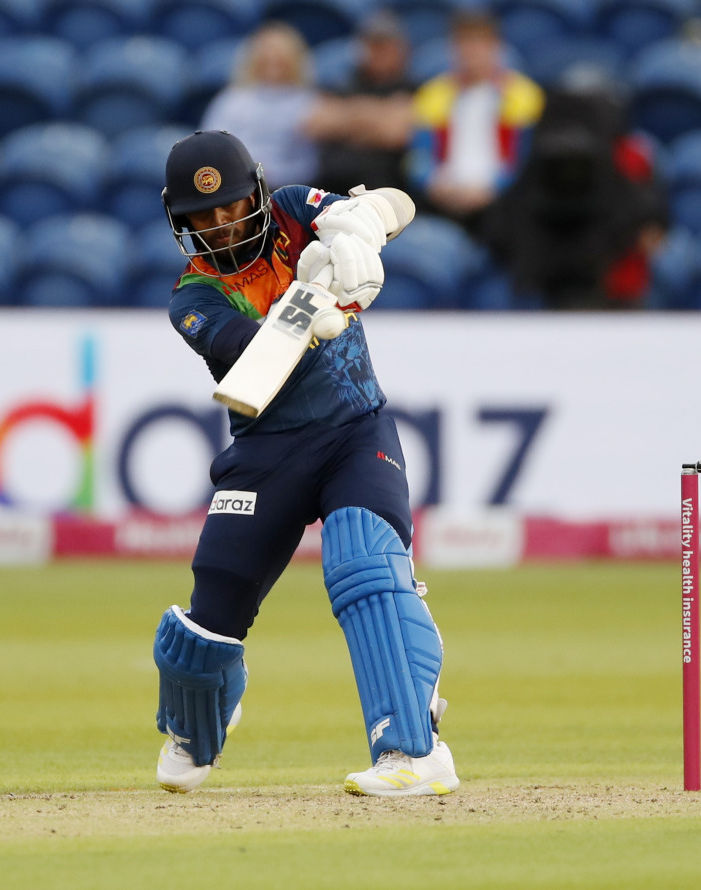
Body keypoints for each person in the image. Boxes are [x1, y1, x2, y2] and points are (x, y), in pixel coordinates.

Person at [152, 128, 459, 798]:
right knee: (205, 625)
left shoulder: (294, 208)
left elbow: (399, 203)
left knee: (364, 564)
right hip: (267, 452)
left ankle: (413, 751)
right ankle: (204, 714)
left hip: (355, 431)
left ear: (257, 194)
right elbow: (258, 355)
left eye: (232, 205)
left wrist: (358, 227)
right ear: (182, 223)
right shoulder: (192, 299)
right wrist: (310, 301)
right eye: (203, 216)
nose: (221, 223)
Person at [484, 79, 669, 309]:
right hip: (543, 292)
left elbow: (653, 227)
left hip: (615, 292)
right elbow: (502, 227)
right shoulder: (534, 165)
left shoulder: (631, 158)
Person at [406, 9, 545, 234]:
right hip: (444, 194)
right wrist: (432, 183)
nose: (471, 53)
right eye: (464, 45)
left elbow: (524, 158)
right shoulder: (433, 94)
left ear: (495, 47)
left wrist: (493, 188)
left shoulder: (523, 95)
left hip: (500, 198)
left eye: (478, 44)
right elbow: (419, 156)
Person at [302, 10, 416, 196]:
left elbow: (397, 133)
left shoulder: (412, 88)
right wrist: (379, 115)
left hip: (383, 188)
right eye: (372, 45)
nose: (377, 53)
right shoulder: (343, 83)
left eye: (384, 46)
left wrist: (347, 118)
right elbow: (315, 125)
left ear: (401, 50)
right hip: (330, 185)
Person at [200, 21, 320, 189]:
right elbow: (210, 147)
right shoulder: (232, 99)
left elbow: (310, 163)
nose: (272, 61)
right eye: (266, 56)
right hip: (236, 187)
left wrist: (274, 175)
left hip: (288, 189)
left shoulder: (309, 103)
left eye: (279, 58)